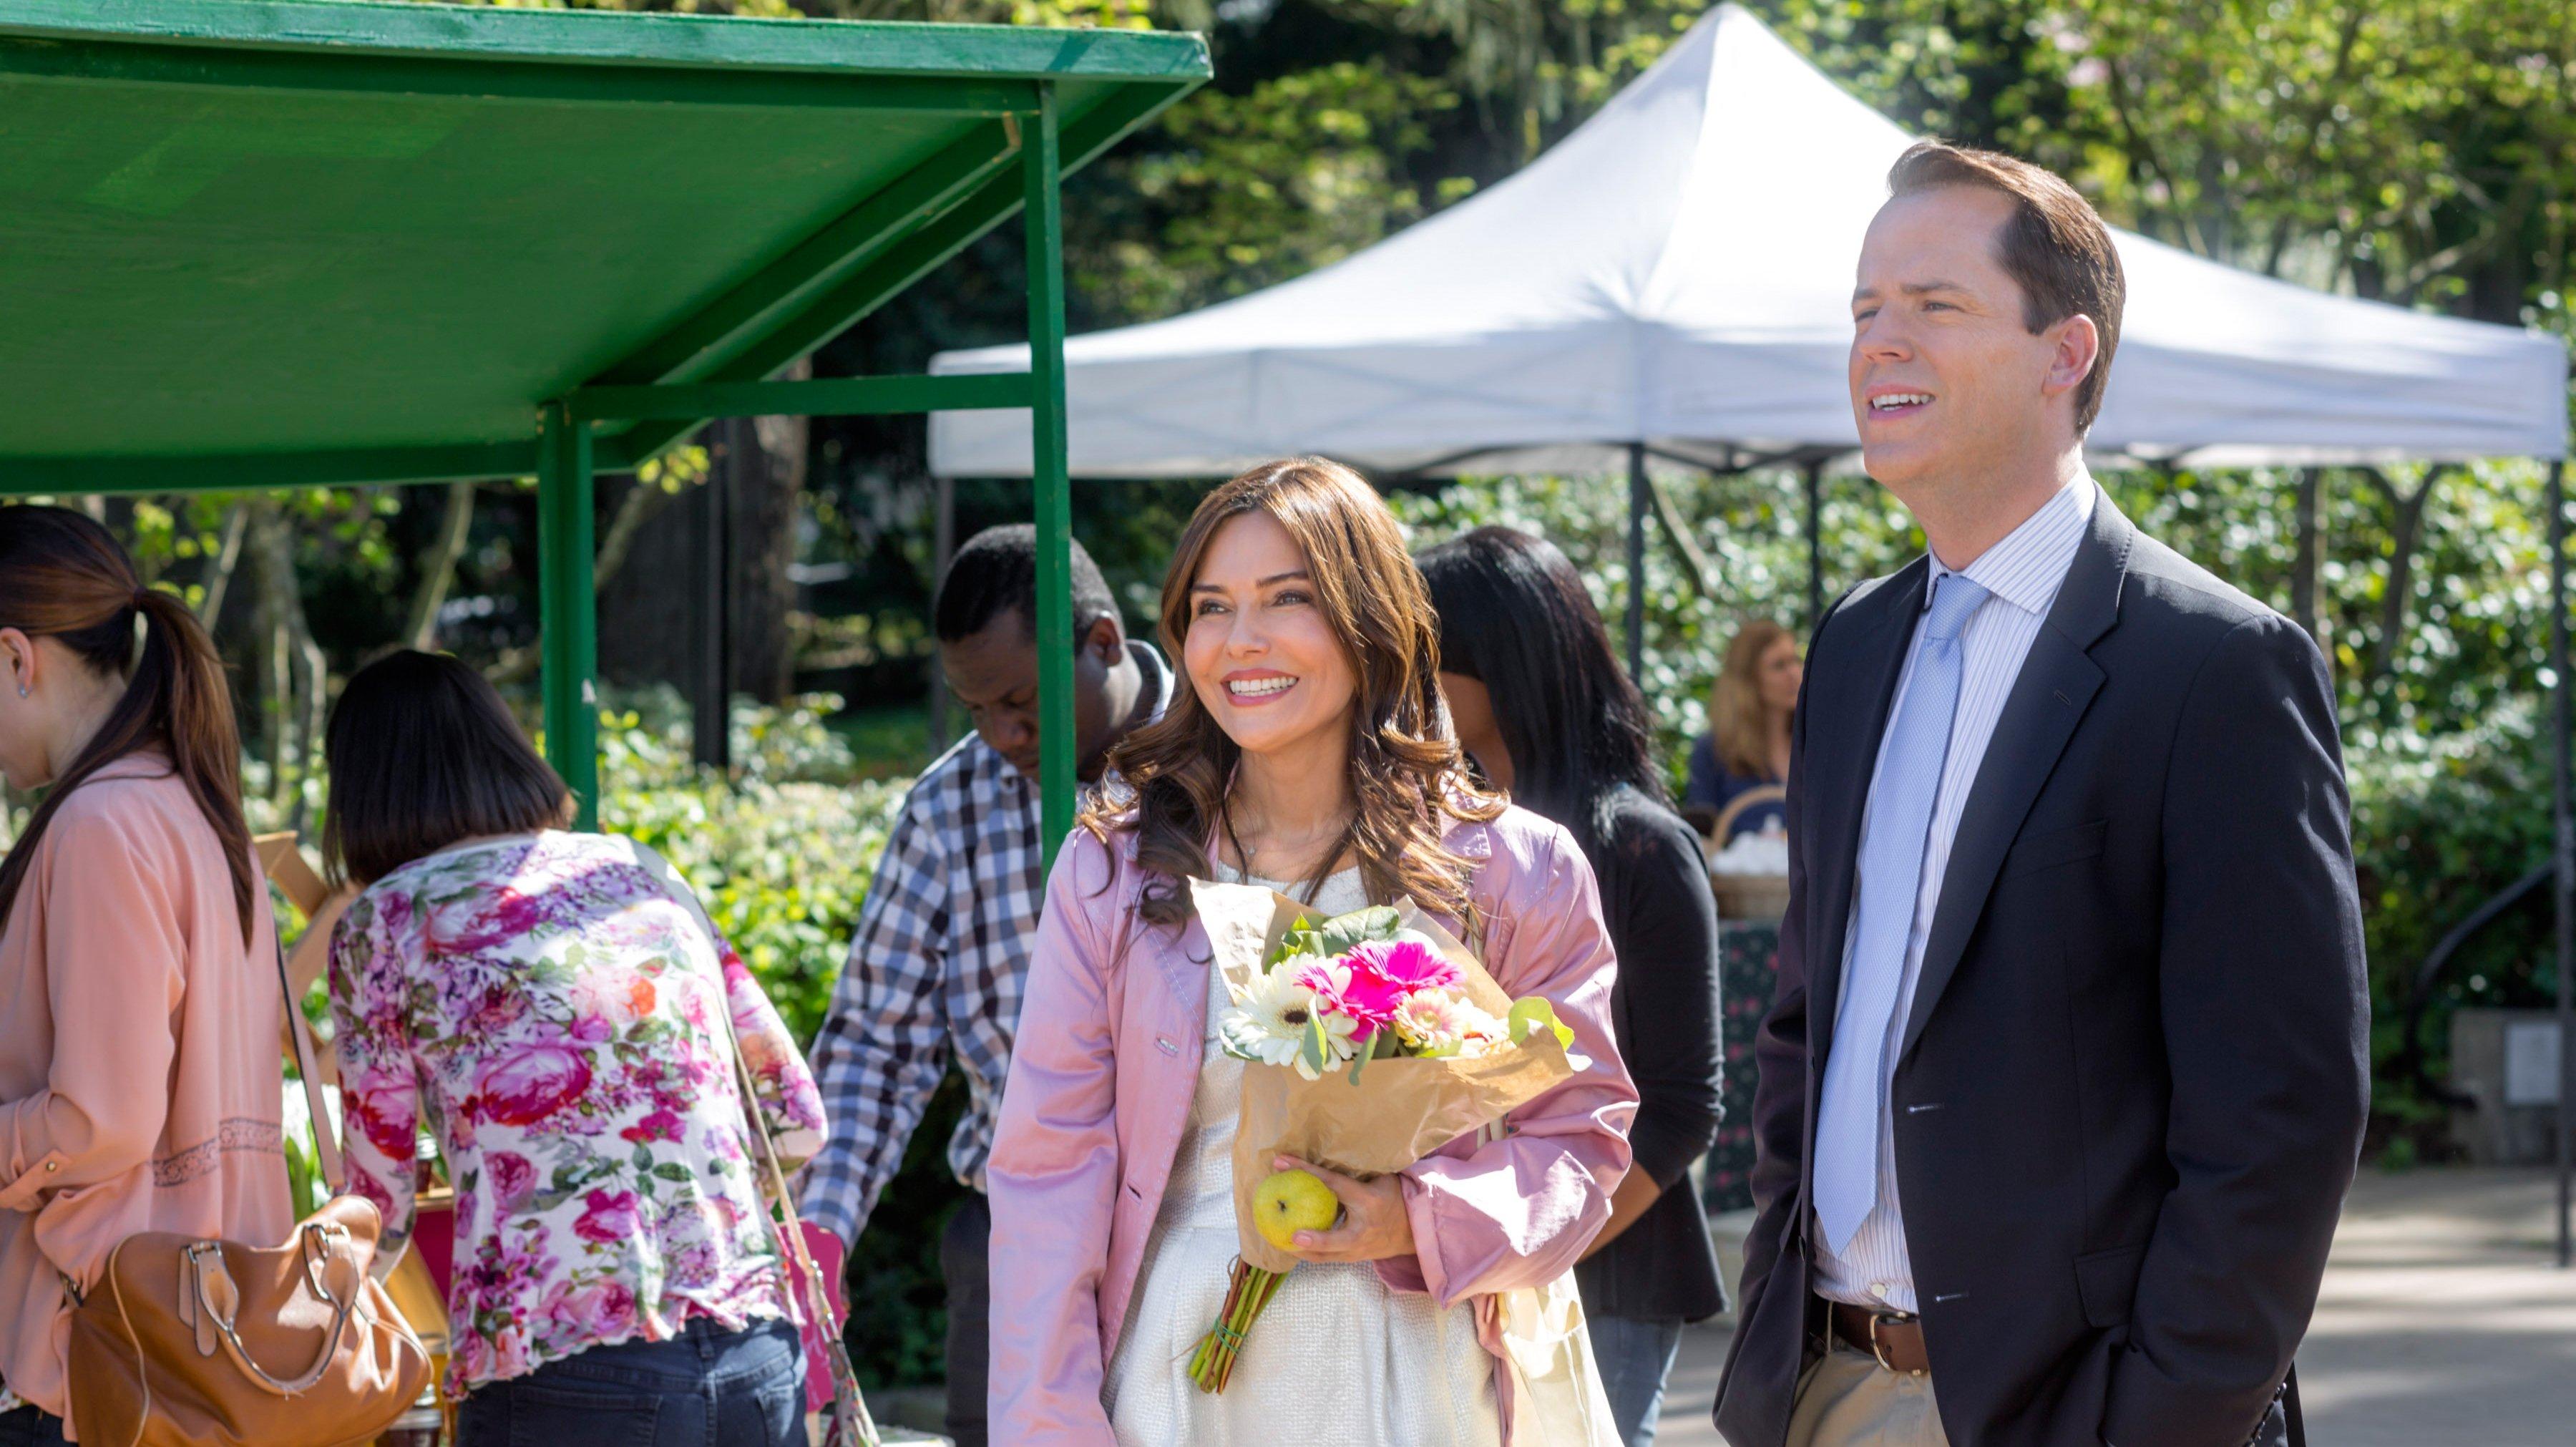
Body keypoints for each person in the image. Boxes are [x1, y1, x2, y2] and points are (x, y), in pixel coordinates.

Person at [1712, 141, 2368, 1447]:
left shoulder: (2214, 665)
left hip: (2080, 1405)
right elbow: (1809, 1021)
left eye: (1934, 307)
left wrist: (2165, 1411)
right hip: (1826, 1388)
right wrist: (1776, 1344)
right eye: (1864, 311)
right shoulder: (1850, 648)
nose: (1878, 343)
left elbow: (2281, 1114)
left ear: (2066, 353)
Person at [986, 458, 1638, 1446]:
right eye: (1212, 606)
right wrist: (1049, 1424)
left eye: (1286, 600)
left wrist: (1412, 1219)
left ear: (1367, 617)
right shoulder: (1113, 871)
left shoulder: (1515, 870)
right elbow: (1049, 1173)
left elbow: (1580, 1144)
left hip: (1416, 1361)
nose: (1241, 641)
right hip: (1178, 1366)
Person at [321, 650, 827, 1446]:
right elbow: (797, 1120)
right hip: (756, 1350)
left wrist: (301, 1332)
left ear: (359, 791)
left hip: (562, 1368)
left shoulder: (384, 922)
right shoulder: (642, 871)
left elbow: (378, 1206)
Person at [798, 525, 1170, 1447]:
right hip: (1013, 1246)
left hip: (1198, 1236)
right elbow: (876, 1048)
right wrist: (822, 1230)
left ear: (1104, 643)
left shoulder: (1236, 759)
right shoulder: (947, 807)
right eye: (975, 710)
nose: (1004, 736)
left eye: (1021, 702)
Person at [1418, 525, 1725, 1447]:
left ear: (1503, 667)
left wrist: (1537, 1248)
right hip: (1463, 1259)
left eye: (1428, 663)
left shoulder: (1642, 848)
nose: (1404, 690)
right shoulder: (1433, 838)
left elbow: (1682, 1107)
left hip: (1612, 1276)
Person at [0, 507, 287, 1447]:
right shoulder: (198, 809)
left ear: (15, 657)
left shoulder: (100, 824)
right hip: (203, 1351)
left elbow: (97, 1119)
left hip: (91, 1362)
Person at [1684, 620, 1801, 842]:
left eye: (1796, 660)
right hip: (1739, 877)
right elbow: (1702, 837)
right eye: (1779, 665)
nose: (1794, 673)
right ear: (1748, 680)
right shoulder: (1714, 750)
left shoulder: (1816, 745)